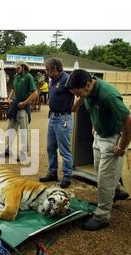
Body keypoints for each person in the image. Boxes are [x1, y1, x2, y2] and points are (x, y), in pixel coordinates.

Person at [67, 69, 131, 231]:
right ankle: (118, 190)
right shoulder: (89, 91)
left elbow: (130, 121)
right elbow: (89, 106)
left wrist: (122, 146)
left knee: (104, 179)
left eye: (79, 93)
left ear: (88, 84)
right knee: (100, 170)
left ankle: (102, 215)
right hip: (100, 135)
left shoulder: (108, 95)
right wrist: (94, 126)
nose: (78, 97)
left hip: (112, 139)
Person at [39, 58, 83, 188]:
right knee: (50, 148)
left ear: (56, 69)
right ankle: (52, 173)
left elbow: (82, 94)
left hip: (63, 119)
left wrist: (75, 107)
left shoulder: (67, 79)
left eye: (48, 70)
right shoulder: (53, 80)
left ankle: (67, 177)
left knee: (64, 151)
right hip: (52, 117)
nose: (46, 72)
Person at [0, 60, 38, 162]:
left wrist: (25, 103)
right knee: (10, 129)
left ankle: (23, 154)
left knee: (23, 131)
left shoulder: (29, 77)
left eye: (18, 67)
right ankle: (7, 150)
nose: (16, 69)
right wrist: (9, 97)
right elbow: (13, 88)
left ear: (23, 66)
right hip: (15, 105)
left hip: (23, 107)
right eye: (15, 68)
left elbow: (35, 93)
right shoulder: (16, 77)